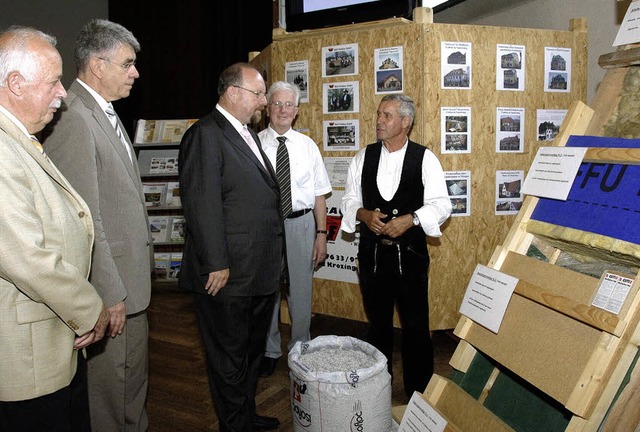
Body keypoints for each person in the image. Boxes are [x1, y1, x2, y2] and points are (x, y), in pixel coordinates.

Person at [43, 19, 153, 431]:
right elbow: (85, 218)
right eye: (127, 64)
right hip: (113, 291)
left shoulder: (102, 112)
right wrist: (110, 294)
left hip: (131, 286)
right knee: (110, 395)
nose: (135, 73)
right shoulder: (74, 117)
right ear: (96, 65)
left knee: (130, 388)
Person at [0, 26, 109, 432]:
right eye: (53, 82)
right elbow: (26, 258)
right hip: (27, 361)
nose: (63, 92)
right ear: (15, 83)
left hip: (48, 341)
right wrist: (90, 309)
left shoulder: (18, 138)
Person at [179, 63, 283, 432]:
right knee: (228, 358)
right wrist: (216, 263)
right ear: (233, 92)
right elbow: (201, 204)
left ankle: (245, 416)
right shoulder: (206, 134)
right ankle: (233, 425)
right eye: (258, 94)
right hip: (227, 274)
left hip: (257, 270)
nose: (262, 102)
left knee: (250, 354)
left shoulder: (245, 133)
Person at [340, 94, 452, 398]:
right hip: (373, 259)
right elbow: (349, 199)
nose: (379, 121)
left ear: (406, 122)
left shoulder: (424, 158)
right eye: (379, 114)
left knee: (416, 328)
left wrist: (412, 219)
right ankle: (377, 390)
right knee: (378, 327)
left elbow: (443, 205)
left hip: (411, 259)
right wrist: (363, 214)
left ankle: (420, 395)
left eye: (387, 115)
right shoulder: (363, 157)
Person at [258, 81, 332, 377]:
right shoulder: (253, 143)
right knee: (269, 290)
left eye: (289, 105)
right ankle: (269, 349)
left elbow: (319, 195)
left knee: (301, 291)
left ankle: (301, 347)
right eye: (277, 104)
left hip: (302, 223)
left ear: (297, 111)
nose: (283, 110)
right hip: (267, 225)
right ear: (267, 108)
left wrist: (322, 234)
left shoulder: (307, 146)